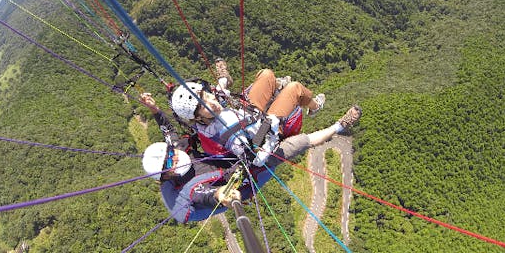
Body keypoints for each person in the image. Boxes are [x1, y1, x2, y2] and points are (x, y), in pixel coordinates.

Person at [141, 102, 362, 223]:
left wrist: (155, 111)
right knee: (297, 144)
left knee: (255, 113)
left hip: (231, 156)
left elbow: (168, 132)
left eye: (171, 153)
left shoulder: (177, 150)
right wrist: (221, 196)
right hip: (250, 173)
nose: (175, 158)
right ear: (167, 176)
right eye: (169, 163)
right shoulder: (189, 190)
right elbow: (206, 195)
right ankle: (338, 127)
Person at [168, 61, 326, 163]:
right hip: (265, 126)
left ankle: (277, 87)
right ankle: (314, 107)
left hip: (250, 112)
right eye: (203, 105)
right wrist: (270, 134)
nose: (211, 101)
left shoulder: (209, 114)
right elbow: (256, 160)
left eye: (206, 94)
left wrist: (223, 80)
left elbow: (218, 92)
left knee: (266, 74)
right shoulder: (227, 136)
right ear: (197, 118)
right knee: (295, 88)